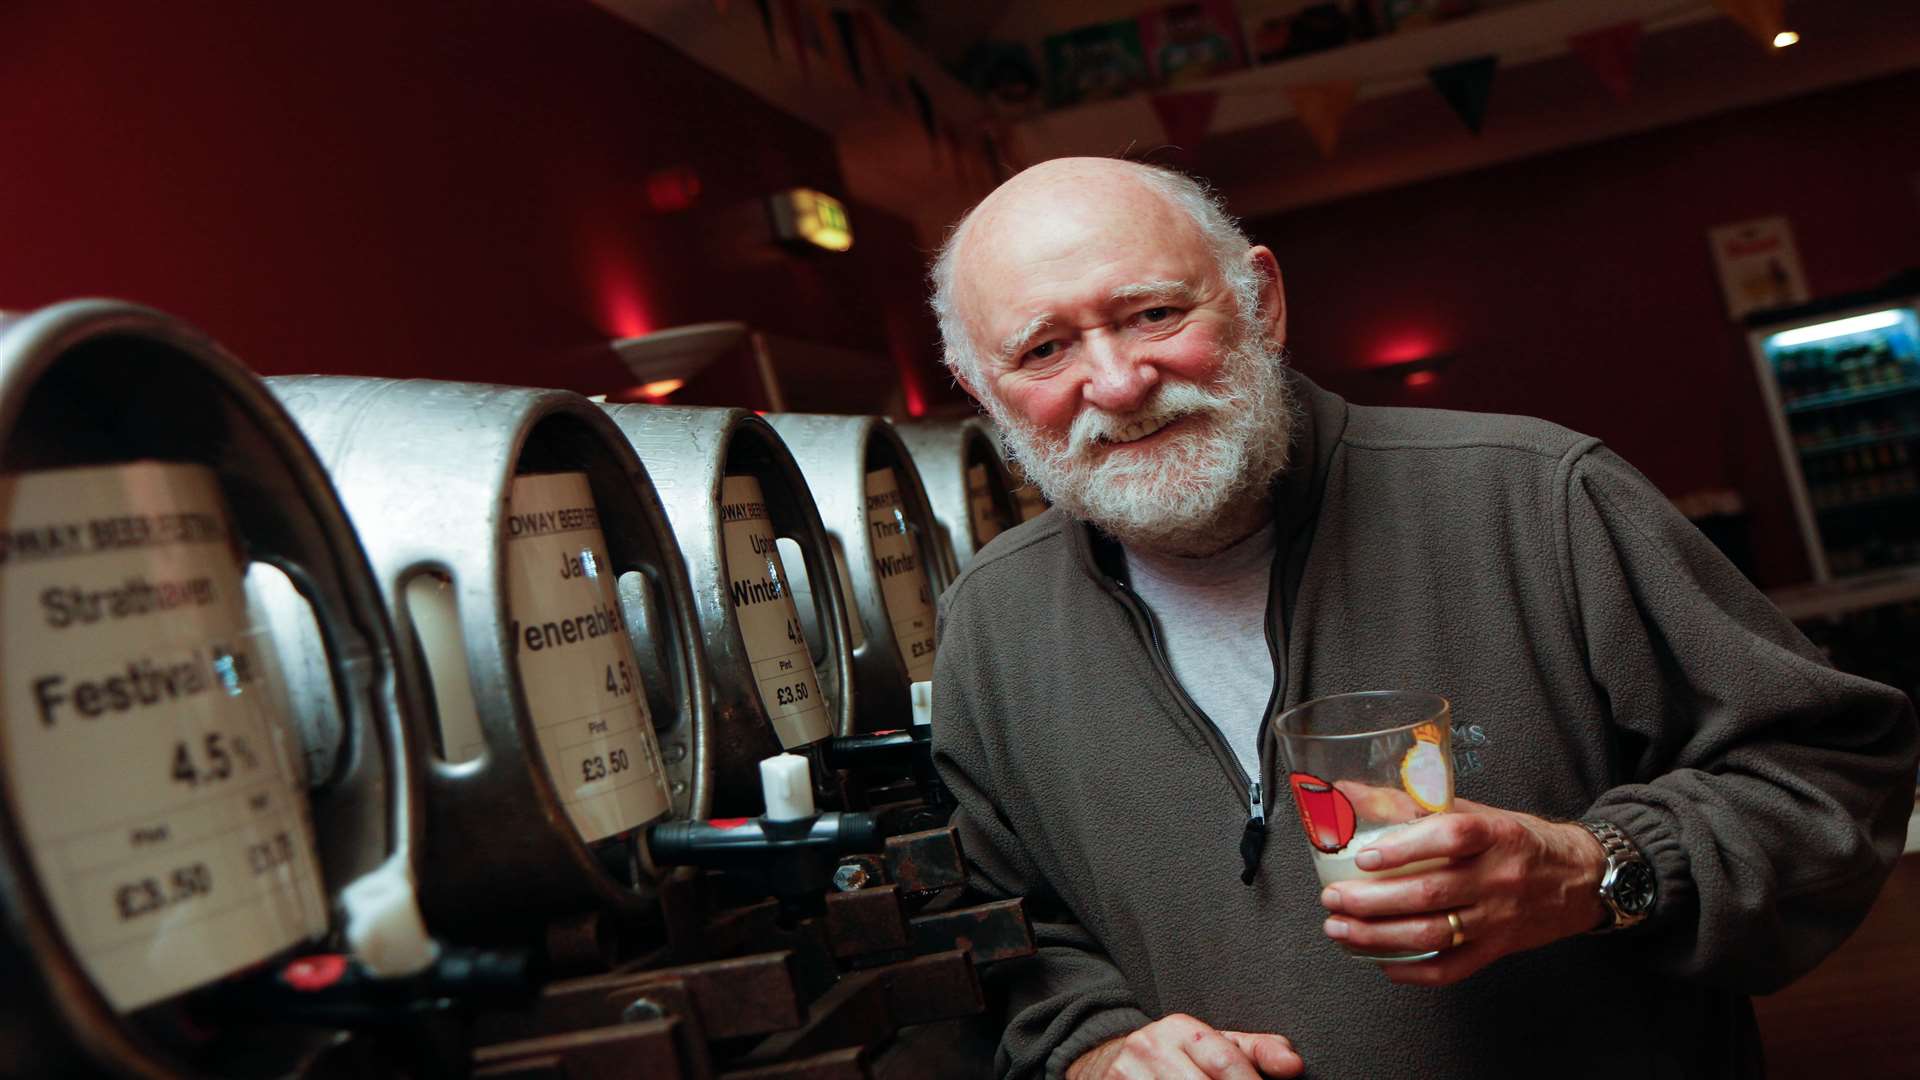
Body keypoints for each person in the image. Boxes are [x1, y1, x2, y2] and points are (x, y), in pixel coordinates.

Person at [924, 156, 1919, 1080]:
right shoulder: (992, 623)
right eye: (1045, 348)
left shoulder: (1537, 497)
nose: (1117, 380)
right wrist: (1094, 1047)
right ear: (985, 393)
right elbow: (1002, 934)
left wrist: (1596, 868)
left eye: (1150, 313)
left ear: (1261, 302)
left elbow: (1828, 770)